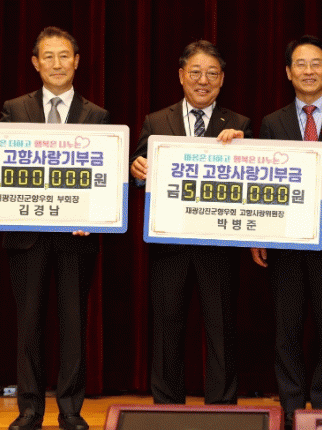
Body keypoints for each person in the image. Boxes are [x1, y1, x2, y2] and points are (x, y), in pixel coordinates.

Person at [0, 26, 109, 430]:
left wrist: (95, 215)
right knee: (29, 325)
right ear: (35, 63)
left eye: (64, 56)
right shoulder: (14, 109)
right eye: (48, 56)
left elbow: (102, 176)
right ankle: (29, 410)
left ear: (77, 61)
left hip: (77, 238)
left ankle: (71, 410)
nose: (57, 64)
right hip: (26, 238)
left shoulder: (97, 115)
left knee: (73, 326)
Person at [249, 35, 322, 429]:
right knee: (287, 331)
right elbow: (264, 182)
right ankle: (291, 410)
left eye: (316, 63)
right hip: (286, 242)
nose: (309, 70)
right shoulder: (273, 122)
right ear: (288, 72)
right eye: (300, 64)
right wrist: (259, 235)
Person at [130, 40, 252, 405]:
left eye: (212, 73)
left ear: (222, 79)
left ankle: (223, 407)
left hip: (219, 246)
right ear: (181, 75)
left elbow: (252, 185)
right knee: (166, 329)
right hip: (170, 244)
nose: (203, 80)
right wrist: (137, 171)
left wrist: (244, 149)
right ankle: (166, 407)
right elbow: (139, 171)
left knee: (221, 329)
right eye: (196, 72)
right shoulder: (156, 121)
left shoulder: (239, 124)